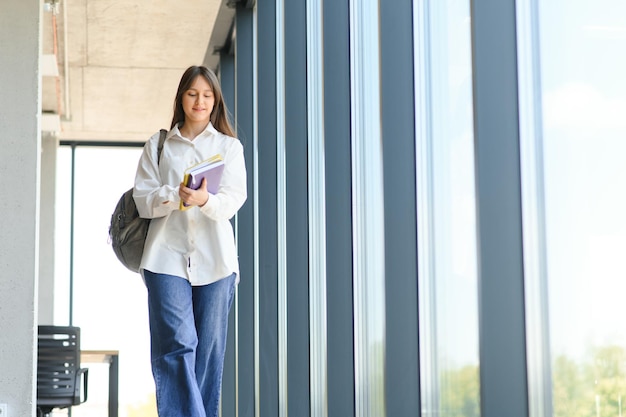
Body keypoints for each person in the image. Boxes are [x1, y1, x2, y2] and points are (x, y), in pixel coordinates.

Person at [133, 65, 247, 417]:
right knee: (177, 346)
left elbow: (234, 199)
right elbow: (143, 198)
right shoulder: (159, 144)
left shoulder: (229, 146)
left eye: (207, 95)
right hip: (164, 259)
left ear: (216, 102)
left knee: (208, 354)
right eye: (192, 93)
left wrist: (205, 200)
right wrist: (176, 195)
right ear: (181, 97)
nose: (200, 101)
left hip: (216, 262)